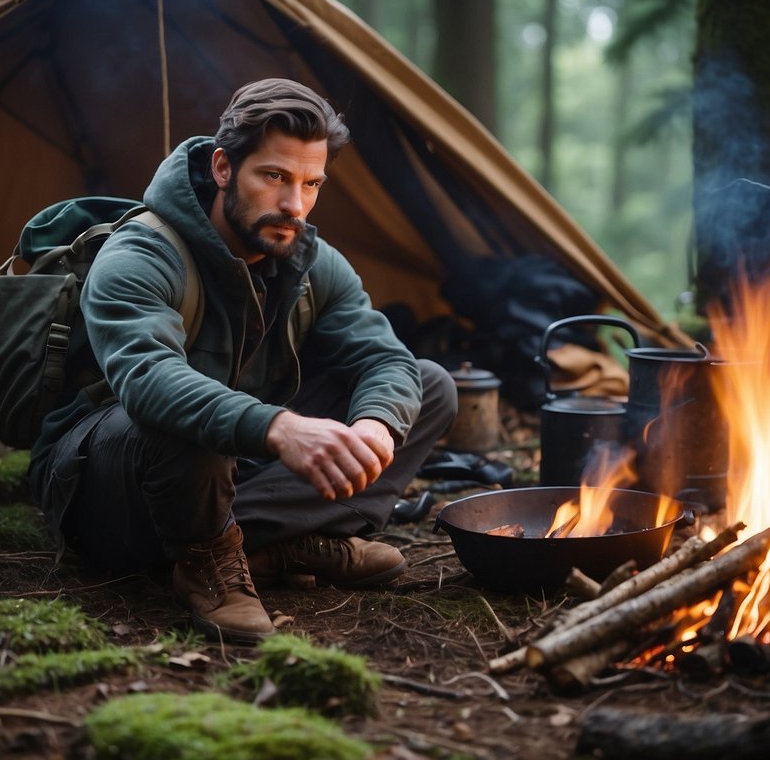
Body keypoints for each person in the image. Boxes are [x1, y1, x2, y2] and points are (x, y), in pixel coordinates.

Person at [28, 78, 457, 644]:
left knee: (430, 387)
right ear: (225, 167)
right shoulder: (139, 254)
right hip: (108, 478)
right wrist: (279, 427)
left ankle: (255, 539)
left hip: (230, 474)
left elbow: (385, 358)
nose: (294, 205)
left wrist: (377, 423)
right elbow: (148, 380)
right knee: (186, 410)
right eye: (275, 177)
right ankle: (208, 558)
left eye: (312, 184)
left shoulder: (310, 260)